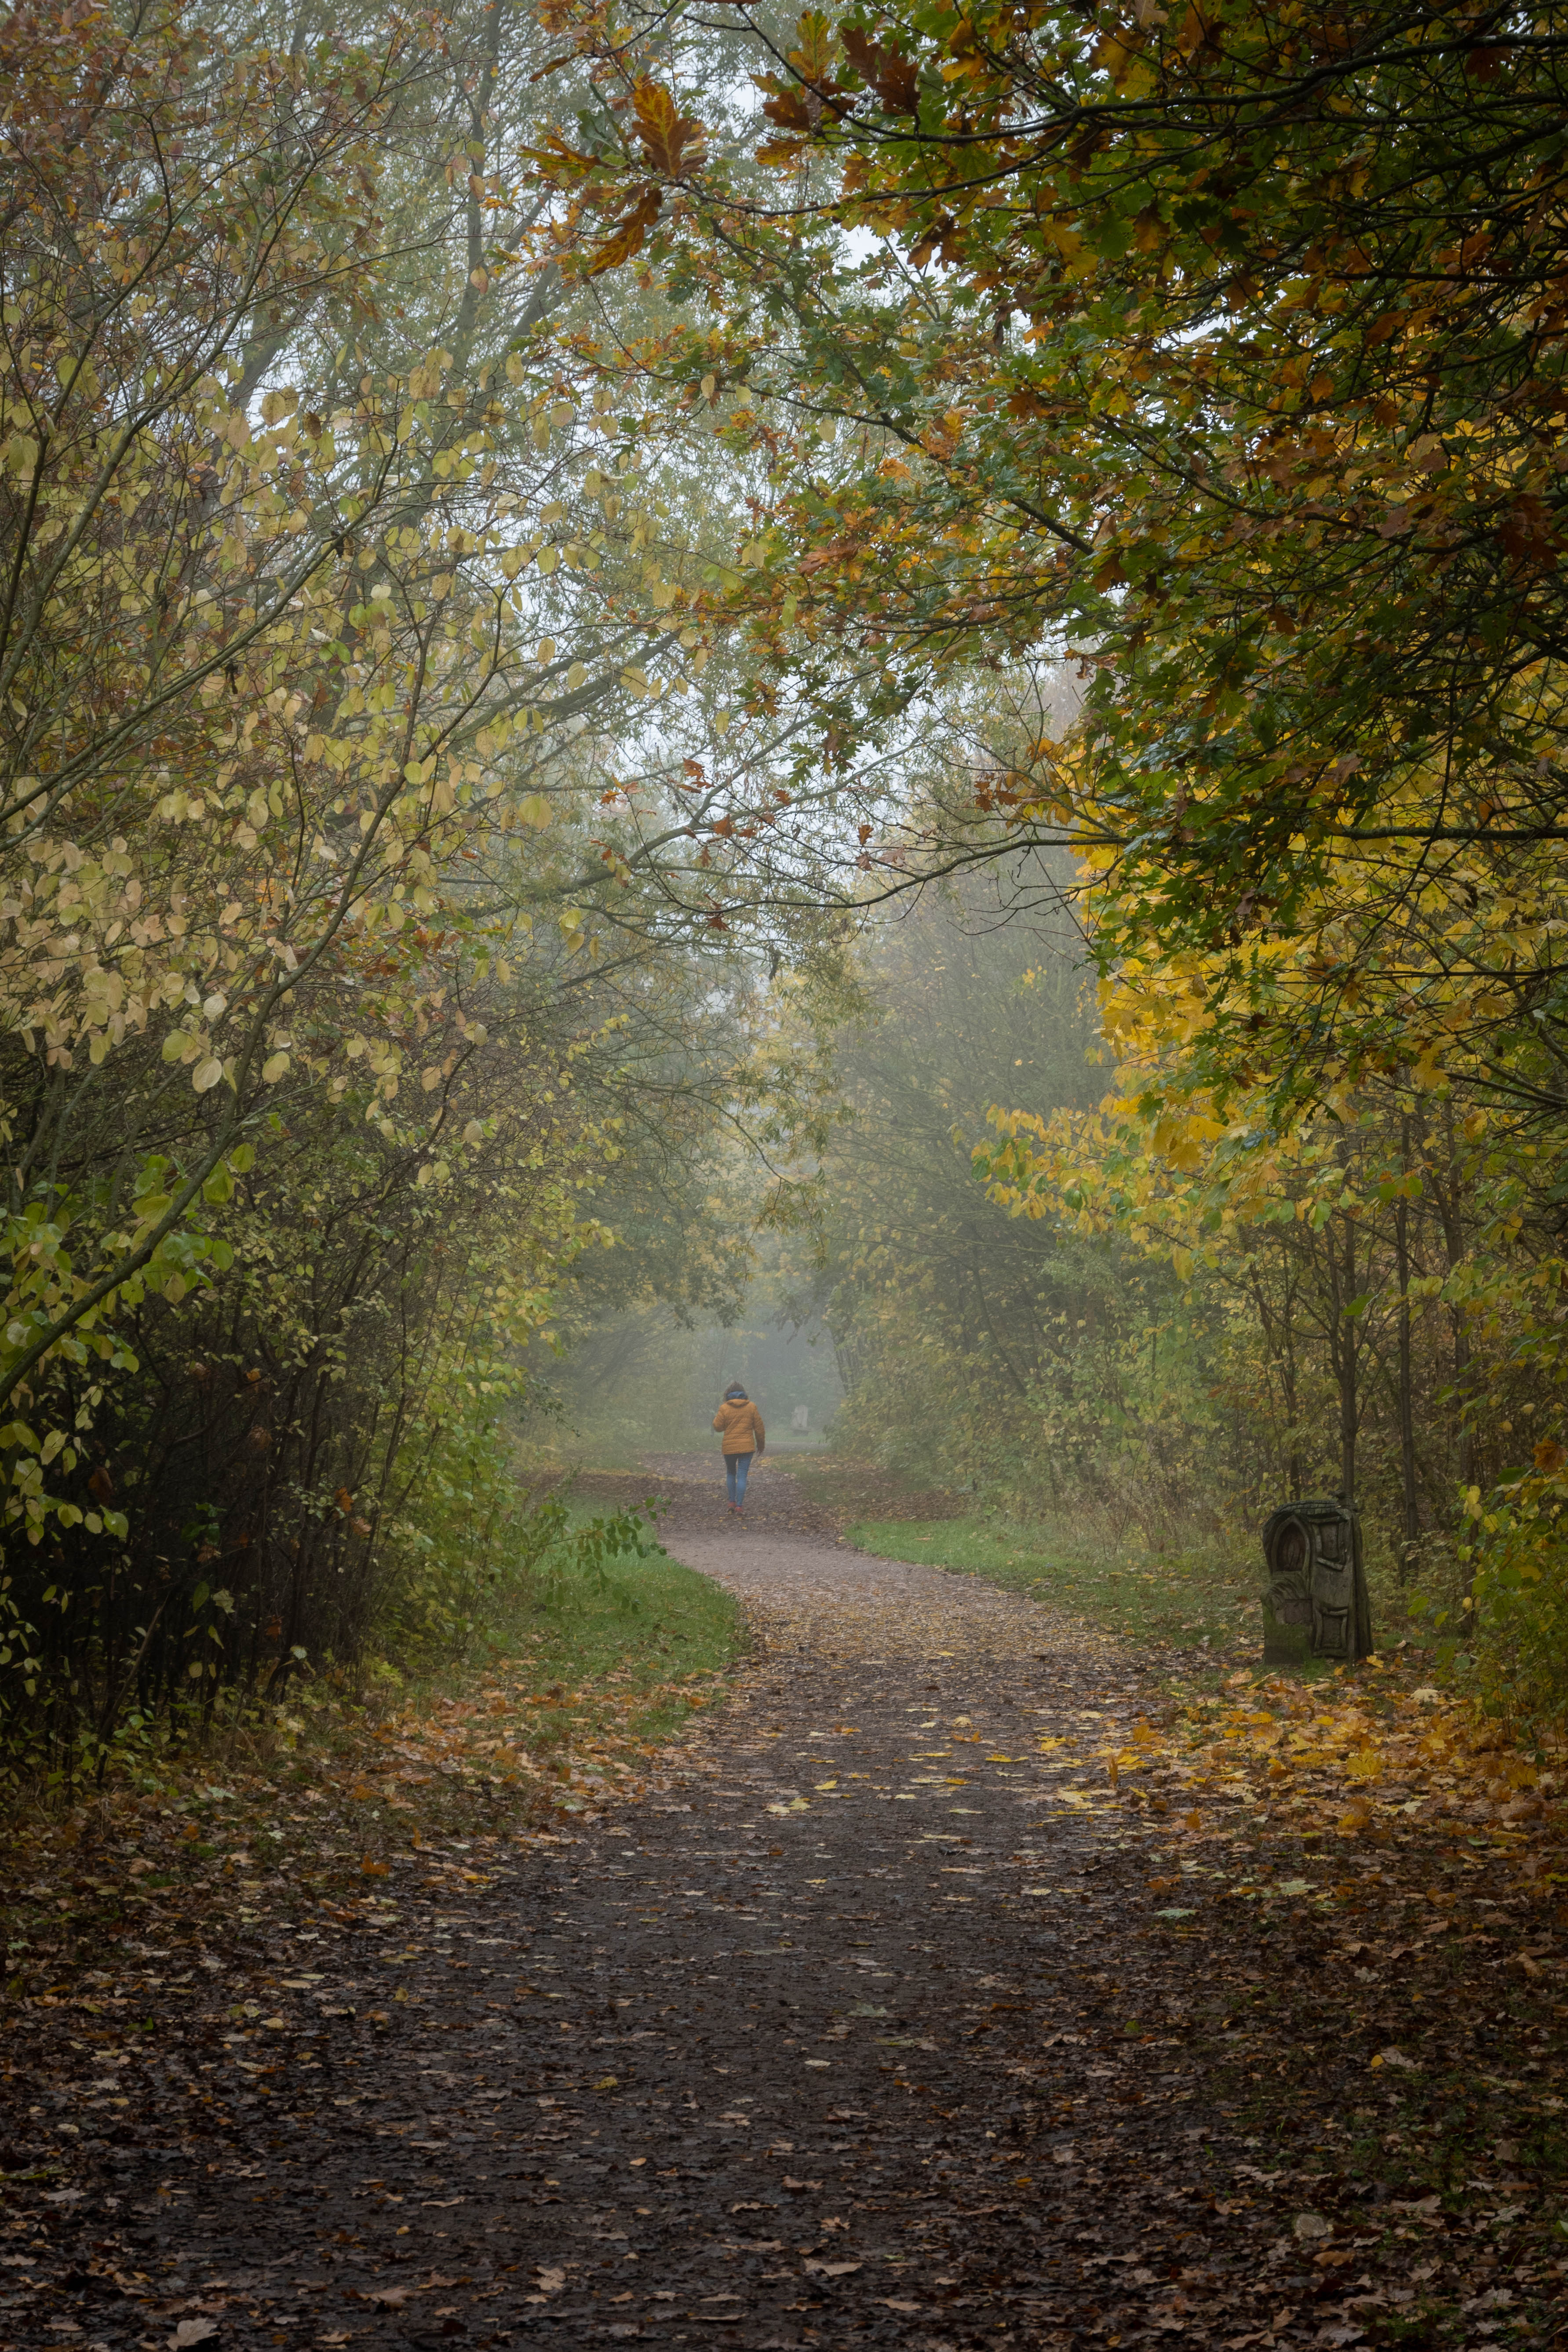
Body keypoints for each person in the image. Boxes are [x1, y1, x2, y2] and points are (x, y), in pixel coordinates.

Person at [712, 1382, 765, 1516]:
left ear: (728, 1394)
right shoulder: (752, 1407)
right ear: (743, 1393)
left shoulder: (724, 1408)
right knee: (742, 1475)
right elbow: (759, 1429)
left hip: (729, 1448)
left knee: (731, 1473)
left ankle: (731, 1503)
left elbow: (718, 1427)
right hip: (747, 1448)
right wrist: (761, 1444)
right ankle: (740, 1507)